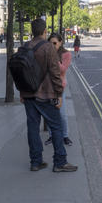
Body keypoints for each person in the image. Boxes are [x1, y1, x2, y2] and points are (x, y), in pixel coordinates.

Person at [19, 18, 77, 173]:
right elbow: (55, 72)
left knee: (32, 128)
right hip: (46, 94)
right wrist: (59, 93)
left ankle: (36, 162)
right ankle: (59, 162)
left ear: (32, 32)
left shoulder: (24, 47)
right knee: (57, 126)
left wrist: (22, 93)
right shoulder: (48, 48)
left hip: (29, 94)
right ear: (45, 31)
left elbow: (21, 72)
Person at [46, 33, 73, 146]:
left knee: (62, 113)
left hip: (60, 87)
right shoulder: (46, 52)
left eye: (55, 43)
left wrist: (53, 57)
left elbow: (62, 69)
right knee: (49, 114)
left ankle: (65, 136)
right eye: (50, 43)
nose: (52, 45)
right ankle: (52, 136)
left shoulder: (66, 54)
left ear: (61, 42)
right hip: (47, 86)